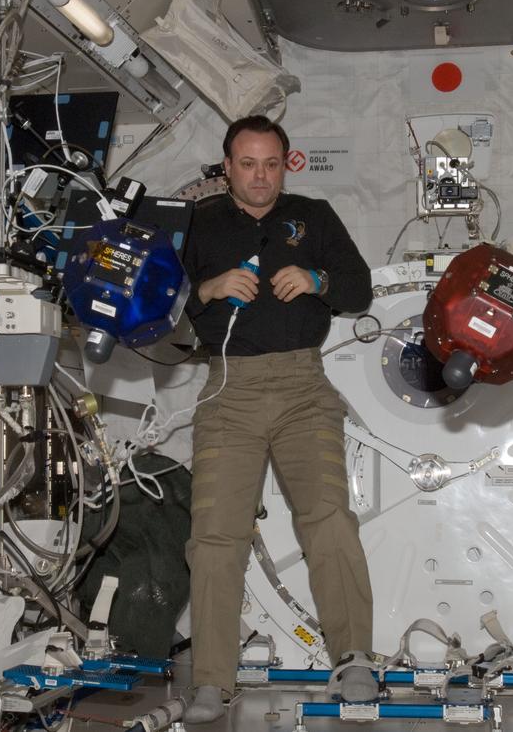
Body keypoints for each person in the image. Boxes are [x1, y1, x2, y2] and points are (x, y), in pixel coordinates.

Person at [180, 115, 378, 723]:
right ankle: (213, 679)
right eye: (247, 164)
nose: (260, 176)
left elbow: (360, 289)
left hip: (301, 388)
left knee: (328, 519)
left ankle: (354, 660)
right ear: (227, 166)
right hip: (229, 392)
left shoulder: (313, 215)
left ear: (286, 164)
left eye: (271, 164)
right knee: (215, 537)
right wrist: (209, 289)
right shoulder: (200, 222)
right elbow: (159, 304)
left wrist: (318, 277)